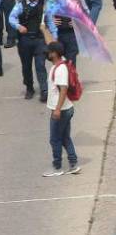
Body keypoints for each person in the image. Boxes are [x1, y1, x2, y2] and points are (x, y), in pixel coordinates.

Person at [44, 41, 82, 177]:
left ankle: (57, 167)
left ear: (55, 54)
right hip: (66, 109)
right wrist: (44, 30)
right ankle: (73, 164)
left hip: (62, 110)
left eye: (49, 51)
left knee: (55, 139)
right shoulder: (61, 63)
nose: (47, 53)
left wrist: (57, 109)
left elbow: (63, 90)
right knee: (65, 137)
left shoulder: (60, 70)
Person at [10, 0, 51, 102]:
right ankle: (29, 87)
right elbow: (11, 18)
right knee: (26, 66)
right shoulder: (20, 4)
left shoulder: (43, 5)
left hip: (39, 40)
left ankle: (44, 90)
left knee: (40, 65)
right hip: (25, 40)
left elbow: (50, 22)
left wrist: (53, 38)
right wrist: (18, 26)